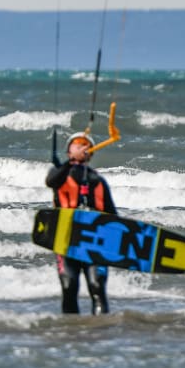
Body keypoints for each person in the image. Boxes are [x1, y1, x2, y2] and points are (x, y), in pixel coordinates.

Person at [45, 131, 117, 315]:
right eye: (76, 143)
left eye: (85, 144)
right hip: (66, 240)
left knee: (97, 287)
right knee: (69, 287)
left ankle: (100, 332)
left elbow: (112, 214)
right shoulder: (59, 173)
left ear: (91, 153)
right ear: (69, 151)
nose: (81, 145)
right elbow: (50, 181)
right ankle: (71, 335)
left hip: (95, 243)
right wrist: (70, 163)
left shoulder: (98, 180)